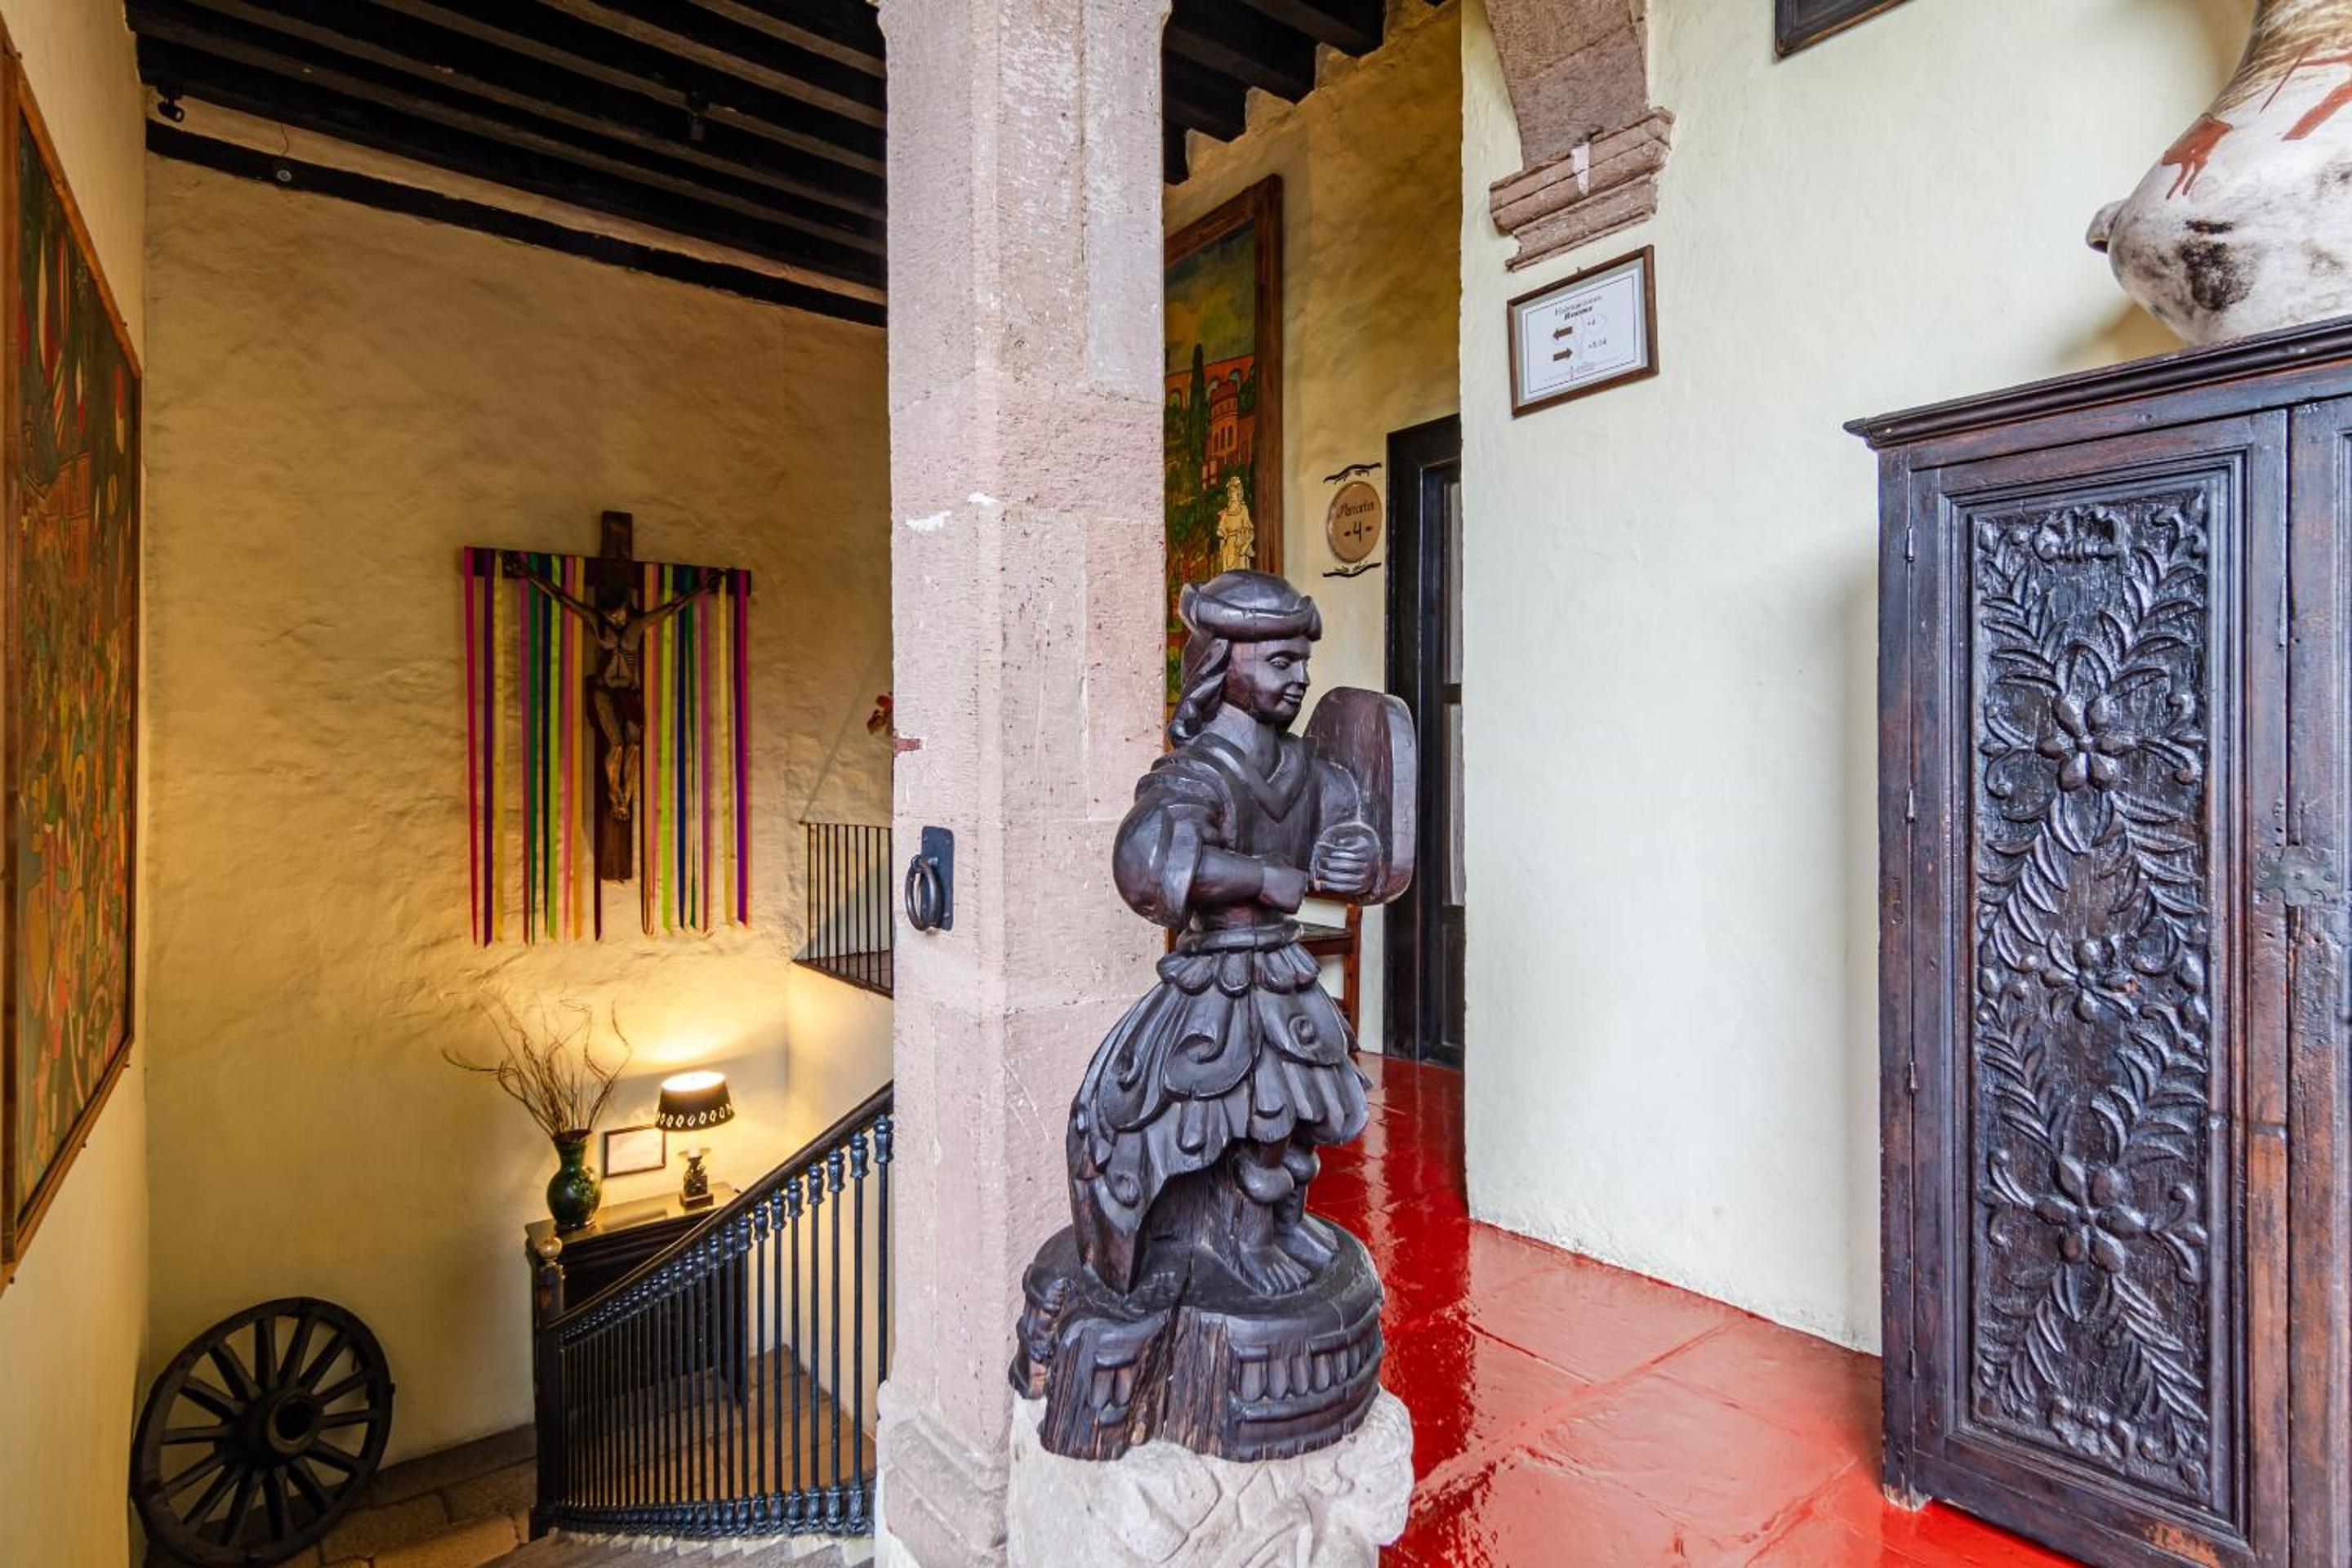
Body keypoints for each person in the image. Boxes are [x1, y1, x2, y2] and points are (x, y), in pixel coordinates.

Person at [1069, 569, 1385, 1296]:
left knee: (1295, 1108)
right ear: (1223, 664)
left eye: (1303, 661)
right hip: (1220, 975)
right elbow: (1146, 860)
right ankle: (1241, 1238)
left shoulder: (1306, 768)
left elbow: (1350, 833)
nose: (1301, 677)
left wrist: (1356, 855)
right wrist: (1264, 878)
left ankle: (1281, 1223)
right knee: (1241, 1104)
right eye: (1280, 661)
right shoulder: (1198, 773)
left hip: (1283, 965)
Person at [503, 552, 723, 822]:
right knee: (617, 745)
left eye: (618, 615)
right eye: (611, 616)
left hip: (629, 692)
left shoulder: (637, 625)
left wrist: (702, 588)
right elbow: (561, 597)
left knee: (635, 747)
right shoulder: (597, 622)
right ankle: (613, 792)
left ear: (626, 606)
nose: (615, 621)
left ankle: (626, 798)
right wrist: (527, 574)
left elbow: (672, 608)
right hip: (604, 691)